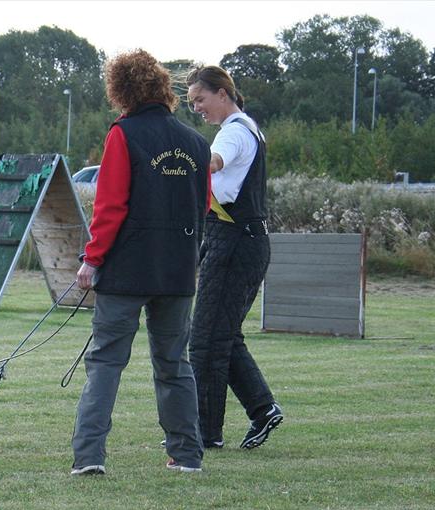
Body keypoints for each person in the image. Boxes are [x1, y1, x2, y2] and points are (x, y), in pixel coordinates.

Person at [71, 50, 211, 476]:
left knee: (106, 363)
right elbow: (201, 206)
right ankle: (186, 455)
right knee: (174, 364)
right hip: (177, 271)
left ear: (121, 91)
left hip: (126, 271)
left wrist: (91, 260)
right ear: (164, 88)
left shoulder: (123, 134)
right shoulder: (196, 143)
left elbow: (110, 206)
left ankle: (89, 457)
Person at [185, 65, 283, 451]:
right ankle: (262, 409)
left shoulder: (235, 133)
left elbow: (214, 162)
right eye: (192, 103)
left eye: (200, 100)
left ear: (222, 93)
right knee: (221, 335)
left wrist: (178, 161)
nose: (197, 109)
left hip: (235, 242)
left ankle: (205, 432)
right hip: (242, 240)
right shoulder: (249, 128)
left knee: (205, 340)